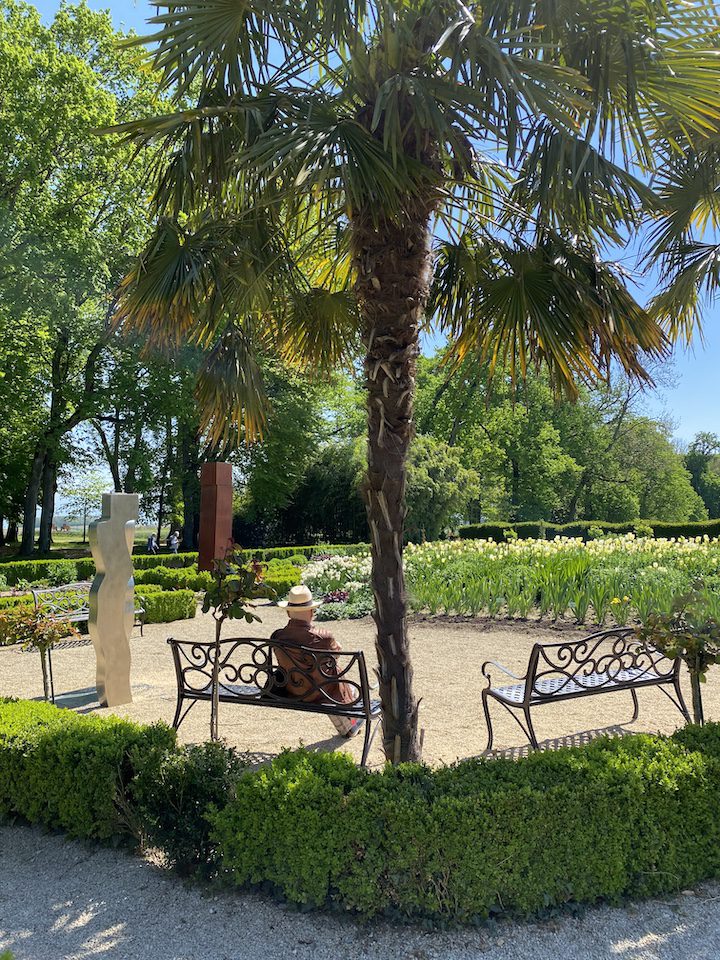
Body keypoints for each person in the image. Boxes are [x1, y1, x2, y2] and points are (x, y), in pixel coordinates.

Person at [271, 585, 364, 737]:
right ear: (312, 612)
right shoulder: (323, 637)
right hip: (319, 693)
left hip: (291, 690)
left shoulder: (277, 636)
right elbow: (335, 654)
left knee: (331, 678)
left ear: (288, 612)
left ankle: (350, 721)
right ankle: (350, 725)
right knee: (335, 676)